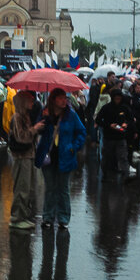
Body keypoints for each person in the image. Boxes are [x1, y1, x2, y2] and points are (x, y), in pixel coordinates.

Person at [35, 88, 86, 228]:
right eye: (61, 98)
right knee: (50, 187)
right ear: (53, 100)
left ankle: (63, 218)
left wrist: (73, 147)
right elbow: (36, 129)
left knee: (63, 189)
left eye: (65, 98)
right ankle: (48, 217)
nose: (65, 101)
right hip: (47, 156)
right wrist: (44, 118)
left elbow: (81, 132)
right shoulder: (45, 112)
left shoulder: (71, 115)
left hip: (65, 156)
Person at [8, 90, 43, 230]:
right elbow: (21, 137)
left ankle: (23, 215)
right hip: (21, 157)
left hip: (29, 156)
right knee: (22, 188)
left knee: (28, 188)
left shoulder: (26, 116)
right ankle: (17, 218)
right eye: (29, 100)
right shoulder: (17, 117)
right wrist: (34, 129)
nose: (32, 103)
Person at [95, 87, 134, 181]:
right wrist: (109, 125)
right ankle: (104, 174)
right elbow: (98, 120)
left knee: (123, 156)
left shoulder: (124, 108)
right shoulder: (106, 108)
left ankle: (126, 175)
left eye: (119, 98)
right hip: (109, 137)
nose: (118, 100)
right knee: (107, 157)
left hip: (121, 137)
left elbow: (131, 119)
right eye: (116, 98)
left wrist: (126, 124)